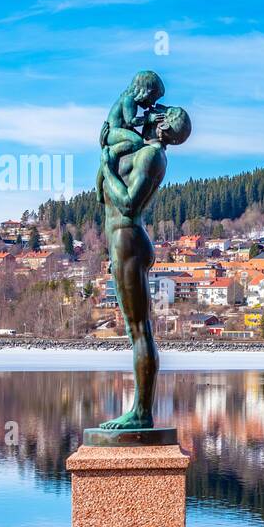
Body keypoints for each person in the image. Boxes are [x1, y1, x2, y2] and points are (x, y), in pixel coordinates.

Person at [95, 103, 192, 431]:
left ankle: (141, 412)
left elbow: (128, 203)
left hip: (129, 240)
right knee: (135, 329)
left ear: (163, 124)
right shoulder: (144, 152)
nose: (149, 111)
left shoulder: (152, 156)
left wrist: (108, 167)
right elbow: (103, 197)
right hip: (122, 243)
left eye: (157, 110)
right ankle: (139, 410)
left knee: (139, 330)